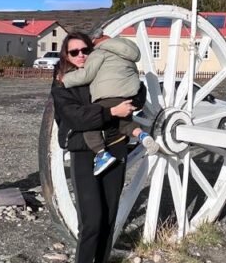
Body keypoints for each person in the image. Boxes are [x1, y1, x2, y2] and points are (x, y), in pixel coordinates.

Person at [50, 31, 137, 263]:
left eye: (85, 49)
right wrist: (113, 111)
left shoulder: (105, 67)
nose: (80, 55)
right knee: (92, 218)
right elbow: (75, 117)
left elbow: (135, 93)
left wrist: (132, 97)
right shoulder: (62, 85)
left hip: (115, 147)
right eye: (73, 52)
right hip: (83, 152)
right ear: (66, 55)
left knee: (110, 215)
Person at [62, 34, 158, 175]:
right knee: (125, 124)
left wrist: (65, 79)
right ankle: (142, 135)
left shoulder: (99, 53)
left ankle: (101, 154)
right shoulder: (128, 55)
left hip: (107, 96)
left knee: (91, 125)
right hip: (128, 97)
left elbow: (86, 75)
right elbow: (133, 75)